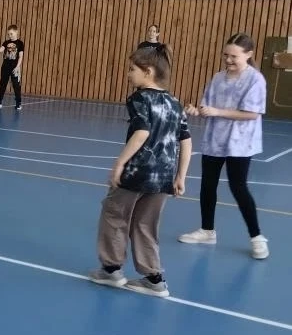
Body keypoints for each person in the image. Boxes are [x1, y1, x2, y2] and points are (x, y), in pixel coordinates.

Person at [88, 44, 192, 297]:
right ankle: (154, 278)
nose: (128, 74)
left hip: (137, 172)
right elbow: (186, 141)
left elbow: (141, 132)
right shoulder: (175, 103)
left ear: (148, 72)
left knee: (114, 214)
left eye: (132, 69)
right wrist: (180, 176)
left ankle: (111, 270)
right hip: (164, 177)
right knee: (146, 224)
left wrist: (120, 163)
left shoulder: (139, 98)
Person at [178, 32, 269, 260]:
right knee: (207, 185)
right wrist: (196, 111)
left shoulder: (256, 80)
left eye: (234, 56)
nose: (228, 60)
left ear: (248, 54)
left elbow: (252, 113)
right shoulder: (218, 78)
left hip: (240, 143)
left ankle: (257, 237)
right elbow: (207, 108)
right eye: (225, 55)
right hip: (215, 140)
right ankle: (207, 231)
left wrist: (217, 111)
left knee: (238, 187)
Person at [0, 24, 24, 110]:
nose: (10, 35)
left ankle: (18, 103)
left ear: (16, 32)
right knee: (3, 84)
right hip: (5, 67)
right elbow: (1, 50)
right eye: (9, 34)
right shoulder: (6, 42)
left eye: (11, 33)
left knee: (16, 85)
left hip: (14, 68)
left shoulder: (20, 43)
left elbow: (20, 56)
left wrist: (17, 67)